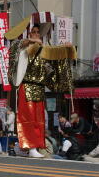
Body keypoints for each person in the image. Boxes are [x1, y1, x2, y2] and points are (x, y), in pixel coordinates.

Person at [7, 20, 75, 158]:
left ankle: (33, 146)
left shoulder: (43, 51)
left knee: (39, 119)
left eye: (38, 32)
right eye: (34, 32)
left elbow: (53, 66)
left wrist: (65, 51)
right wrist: (31, 42)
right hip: (27, 86)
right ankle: (28, 146)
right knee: (28, 118)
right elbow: (16, 47)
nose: (36, 34)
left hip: (39, 88)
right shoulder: (22, 47)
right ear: (28, 33)